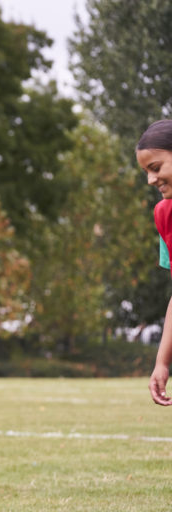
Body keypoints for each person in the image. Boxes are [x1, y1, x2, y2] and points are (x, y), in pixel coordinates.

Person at [136, 119, 172, 406]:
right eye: (147, 171)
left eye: (156, 168)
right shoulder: (164, 215)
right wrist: (162, 362)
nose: (150, 180)